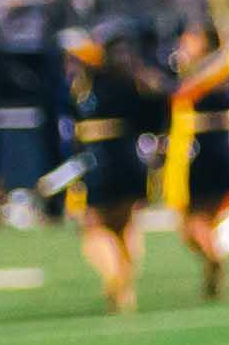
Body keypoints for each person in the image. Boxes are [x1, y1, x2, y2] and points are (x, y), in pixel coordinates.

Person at [64, 28, 166, 314]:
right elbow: (154, 117)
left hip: (97, 157)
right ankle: (127, 285)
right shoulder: (137, 81)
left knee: (93, 225)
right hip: (129, 156)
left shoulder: (87, 83)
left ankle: (115, 278)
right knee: (126, 224)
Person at [161, 25, 229, 301]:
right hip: (223, 147)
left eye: (190, 39)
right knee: (205, 218)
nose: (184, 44)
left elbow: (184, 91)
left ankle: (212, 255)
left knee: (192, 220)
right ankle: (212, 256)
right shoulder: (224, 69)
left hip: (199, 150)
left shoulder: (209, 72)